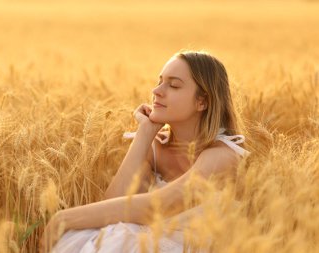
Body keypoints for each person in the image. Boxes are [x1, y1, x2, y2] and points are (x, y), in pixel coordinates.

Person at [40, 49, 250, 253]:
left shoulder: (222, 155)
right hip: (145, 244)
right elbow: (113, 205)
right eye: (160, 81)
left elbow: (158, 207)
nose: (156, 91)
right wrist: (144, 134)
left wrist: (63, 219)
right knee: (113, 236)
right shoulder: (155, 148)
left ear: (202, 101)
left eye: (174, 85)